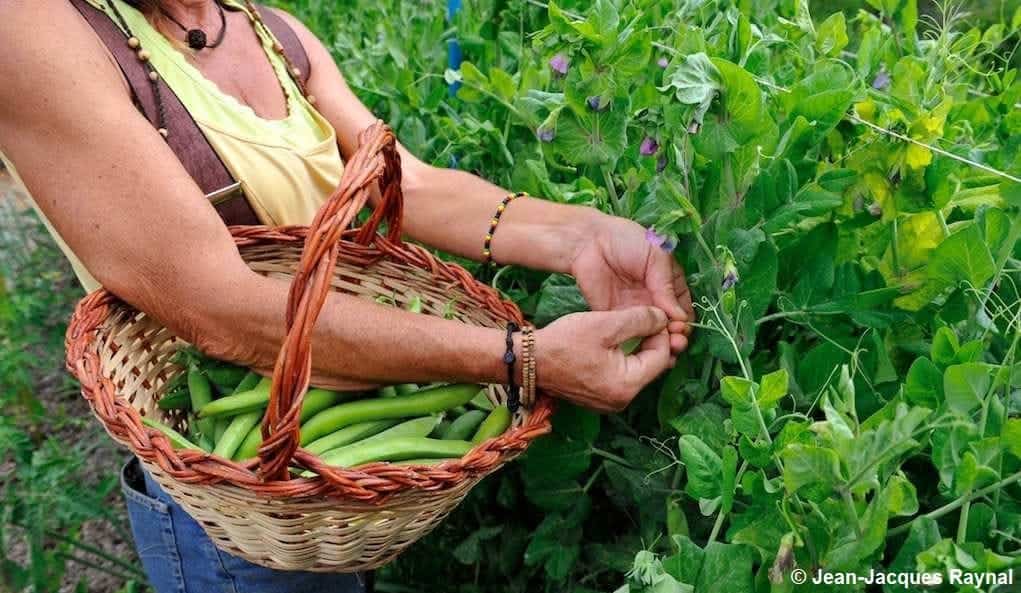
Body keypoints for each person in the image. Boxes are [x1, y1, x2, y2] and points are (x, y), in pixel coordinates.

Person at [0, 1, 695, 591]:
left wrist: (583, 236)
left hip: (340, 480)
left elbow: (408, 186)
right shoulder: (38, 29)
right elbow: (221, 309)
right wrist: (518, 357)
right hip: (230, 503)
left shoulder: (264, 27)